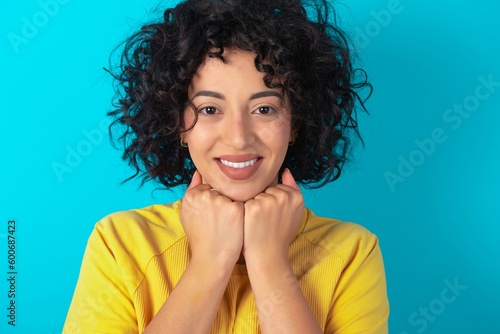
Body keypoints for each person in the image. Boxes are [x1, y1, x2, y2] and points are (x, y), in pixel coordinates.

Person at [63, 0, 389, 332]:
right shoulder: (120, 244)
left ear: (295, 124)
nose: (237, 138)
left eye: (264, 109)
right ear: (177, 123)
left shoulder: (352, 252)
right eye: (209, 109)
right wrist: (209, 263)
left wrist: (270, 263)